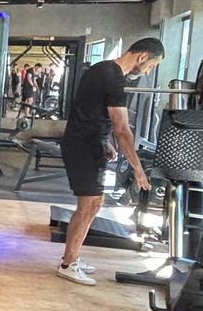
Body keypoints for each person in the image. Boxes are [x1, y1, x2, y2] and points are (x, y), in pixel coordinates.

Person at [57, 38, 164, 285]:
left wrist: (105, 141)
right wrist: (138, 169)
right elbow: (123, 130)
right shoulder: (114, 79)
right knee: (88, 205)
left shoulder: (101, 69)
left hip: (88, 143)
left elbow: (88, 111)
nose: (148, 72)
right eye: (151, 66)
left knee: (94, 203)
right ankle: (67, 264)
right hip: (83, 147)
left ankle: (71, 256)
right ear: (142, 57)